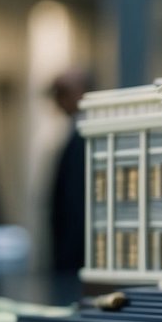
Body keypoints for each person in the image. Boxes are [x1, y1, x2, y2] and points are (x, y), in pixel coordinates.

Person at [48, 67, 91, 275]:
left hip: (76, 258)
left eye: (62, 92)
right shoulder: (74, 134)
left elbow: (75, 204)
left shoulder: (85, 137)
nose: (57, 100)